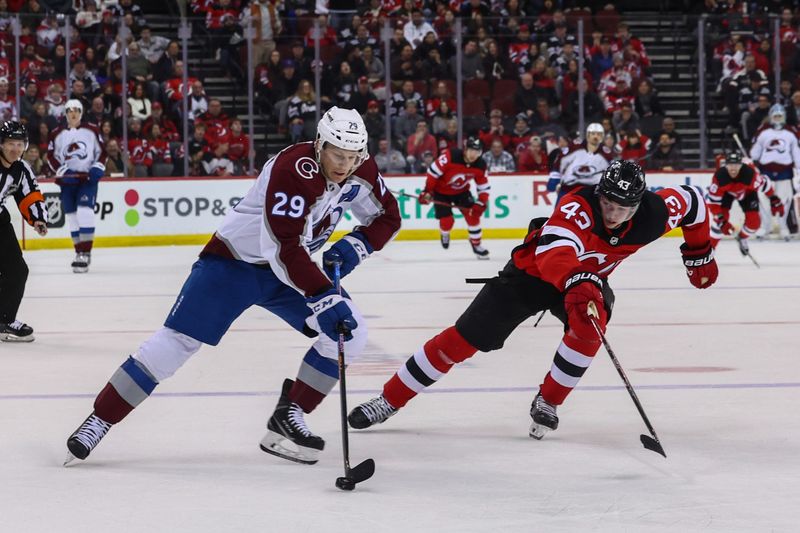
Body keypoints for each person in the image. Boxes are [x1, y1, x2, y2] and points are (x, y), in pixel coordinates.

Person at [63, 107, 401, 466]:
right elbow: (283, 246)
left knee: (349, 332)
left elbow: (387, 215)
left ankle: (288, 418)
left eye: (353, 157)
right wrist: (322, 295)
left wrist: (356, 245)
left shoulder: (361, 168)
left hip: (288, 272)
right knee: (176, 342)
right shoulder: (294, 168)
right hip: (233, 263)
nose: (344, 164)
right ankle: (100, 419)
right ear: (319, 144)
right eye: (337, 154)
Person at [347, 161, 718, 442]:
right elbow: (555, 252)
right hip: (532, 275)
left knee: (590, 331)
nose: (612, 213)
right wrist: (577, 281)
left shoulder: (657, 211)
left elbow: (695, 204)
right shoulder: (578, 207)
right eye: (606, 202)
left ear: (639, 204)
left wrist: (699, 254)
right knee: (462, 339)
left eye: (622, 208)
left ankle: (549, 401)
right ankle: (389, 399)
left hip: (584, 282)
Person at [0, 121, 48, 342]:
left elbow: (29, 194)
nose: (16, 149)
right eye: (11, 143)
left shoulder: (21, 169)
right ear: (2, 144)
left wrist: (37, 218)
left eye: (20, 144)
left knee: (18, 270)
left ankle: (5, 320)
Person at [46, 99, 105, 273]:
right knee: (72, 216)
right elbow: (51, 156)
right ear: (65, 113)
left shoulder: (92, 130)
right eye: (70, 110)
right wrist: (62, 171)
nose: (73, 113)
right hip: (67, 182)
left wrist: (97, 167)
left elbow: (101, 152)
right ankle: (79, 252)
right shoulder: (56, 133)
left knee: (85, 211)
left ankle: (86, 253)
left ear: (81, 112)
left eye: (76, 110)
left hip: (87, 180)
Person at [418, 137, 490, 259]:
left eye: (477, 152)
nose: (474, 154)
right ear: (465, 149)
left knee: (473, 215)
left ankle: (477, 245)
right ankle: (445, 233)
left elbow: (483, 186)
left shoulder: (481, 165)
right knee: (447, 221)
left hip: (462, 192)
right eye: (471, 150)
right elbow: (432, 173)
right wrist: (428, 191)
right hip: (441, 192)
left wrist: (481, 202)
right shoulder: (450, 156)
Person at [707, 150, 784, 256]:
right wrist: (720, 219)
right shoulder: (720, 177)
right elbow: (713, 202)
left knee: (754, 223)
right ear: (726, 165)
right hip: (727, 194)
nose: (733, 168)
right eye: (730, 165)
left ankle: (742, 238)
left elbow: (765, 184)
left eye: (736, 165)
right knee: (720, 221)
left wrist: (773, 198)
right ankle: (710, 249)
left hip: (747, 192)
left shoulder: (750, 174)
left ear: (741, 165)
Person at [749, 104, 800, 240]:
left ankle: (783, 228)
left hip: (785, 172)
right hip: (766, 171)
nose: (777, 119)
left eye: (780, 116)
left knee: (784, 201)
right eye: (775, 116)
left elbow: (796, 153)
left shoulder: (790, 133)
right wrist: (751, 158)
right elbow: (755, 152)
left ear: (784, 117)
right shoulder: (764, 133)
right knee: (764, 200)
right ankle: (765, 227)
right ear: (771, 117)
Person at [548, 122, 614, 201]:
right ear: (588, 135)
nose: (595, 136)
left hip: (592, 193)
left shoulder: (606, 154)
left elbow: (611, 173)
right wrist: (554, 178)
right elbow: (560, 160)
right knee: (562, 212)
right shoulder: (575, 147)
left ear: (602, 136)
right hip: (569, 189)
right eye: (593, 134)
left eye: (599, 134)